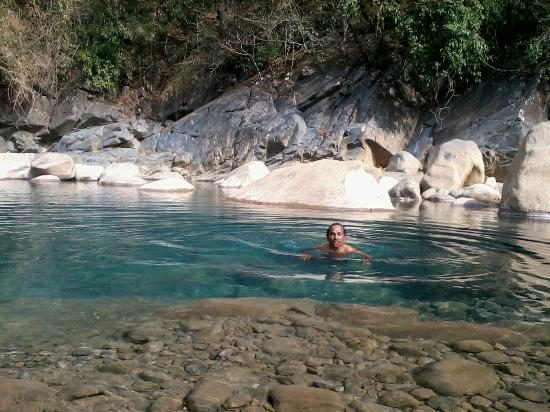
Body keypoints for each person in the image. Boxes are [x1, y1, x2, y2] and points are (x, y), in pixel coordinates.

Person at [300, 223, 372, 265]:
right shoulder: (324, 247)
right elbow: (306, 250)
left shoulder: (348, 250)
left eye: (339, 234)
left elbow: (368, 256)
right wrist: (307, 254)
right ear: (327, 237)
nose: (336, 237)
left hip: (343, 263)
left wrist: (367, 260)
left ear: (344, 238)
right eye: (332, 234)